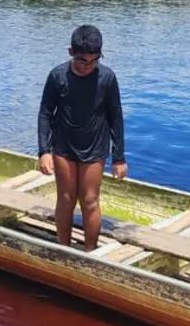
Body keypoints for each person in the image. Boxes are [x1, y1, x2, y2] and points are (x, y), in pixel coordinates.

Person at [38, 24, 127, 251]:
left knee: (89, 200)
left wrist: (119, 158)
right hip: (63, 145)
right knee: (66, 198)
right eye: (81, 61)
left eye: (93, 61)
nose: (87, 67)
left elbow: (116, 117)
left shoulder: (107, 78)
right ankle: (63, 247)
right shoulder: (57, 76)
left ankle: (90, 250)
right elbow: (46, 114)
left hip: (95, 146)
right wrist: (44, 151)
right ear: (70, 52)